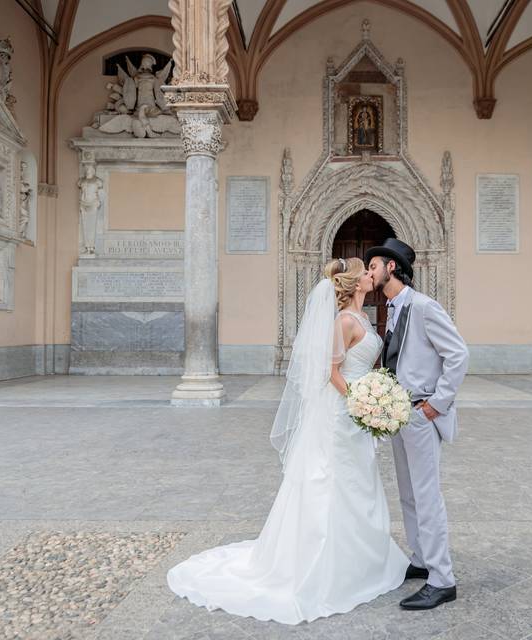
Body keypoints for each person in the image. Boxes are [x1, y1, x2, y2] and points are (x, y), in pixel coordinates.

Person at [167, 257, 409, 624]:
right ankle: (326, 564)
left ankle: (362, 559)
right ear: (355, 283)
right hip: (343, 411)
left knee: (358, 480)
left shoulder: (362, 318)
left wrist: (374, 395)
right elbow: (330, 371)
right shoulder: (344, 320)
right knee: (331, 481)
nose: (370, 275)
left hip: (355, 412)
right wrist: (360, 402)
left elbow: (359, 365)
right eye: (365, 271)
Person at [366, 237, 469, 610]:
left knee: (427, 497)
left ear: (391, 267)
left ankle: (443, 579)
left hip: (420, 413)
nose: (369, 272)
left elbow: (458, 354)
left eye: (373, 266)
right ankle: (423, 560)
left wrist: (436, 405)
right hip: (398, 414)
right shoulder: (394, 308)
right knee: (408, 494)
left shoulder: (424, 307)